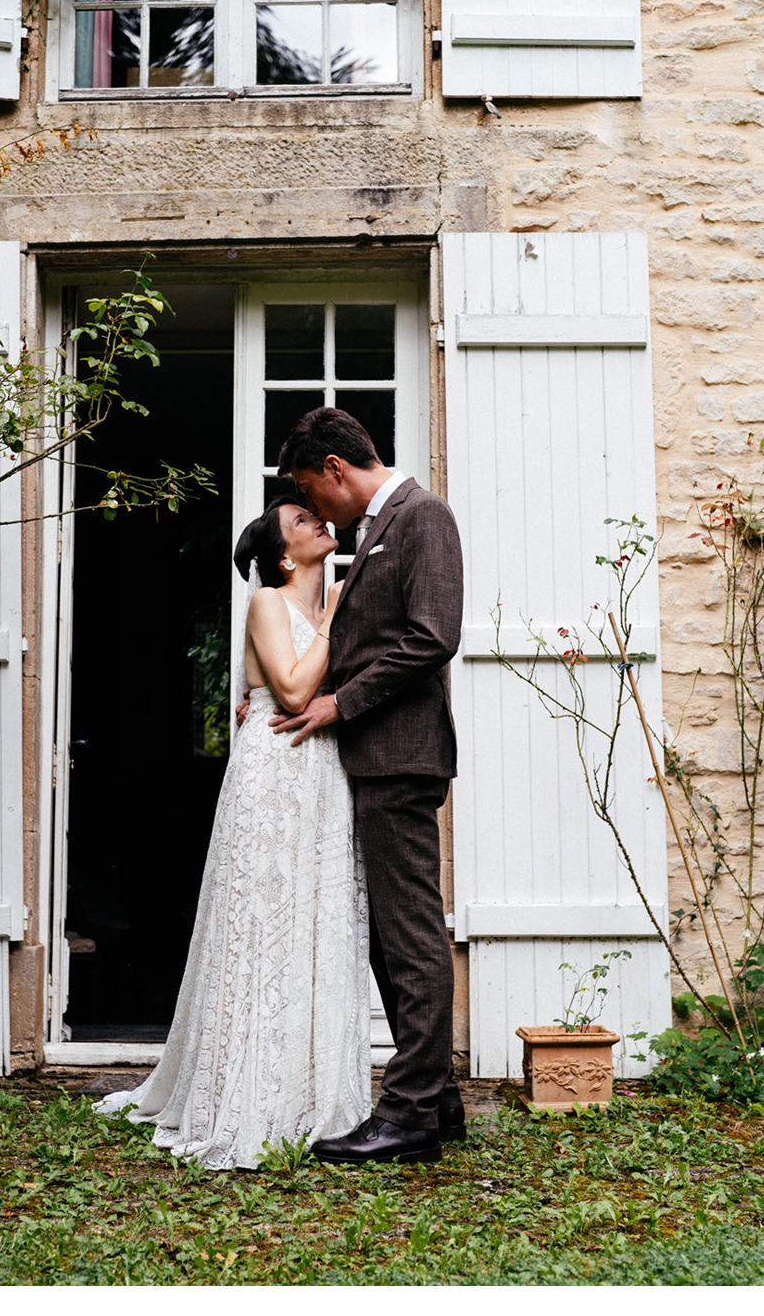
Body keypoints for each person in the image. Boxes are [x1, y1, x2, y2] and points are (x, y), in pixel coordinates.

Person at [95, 496, 373, 1169]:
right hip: (272, 771)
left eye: (314, 515)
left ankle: (314, 1093)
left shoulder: (341, 591)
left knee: (315, 917)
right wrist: (335, 622)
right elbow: (294, 691)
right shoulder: (268, 604)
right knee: (259, 920)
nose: (316, 522)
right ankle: (247, 1090)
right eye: (300, 522)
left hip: (325, 773)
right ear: (281, 555)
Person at [273, 405, 465, 1166]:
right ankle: (437, 1100)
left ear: (334, 471)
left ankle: (411, 1113)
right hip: (374, 757)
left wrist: (340, 702)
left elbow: (431, 635)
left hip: (400, 755)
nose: (315, 509)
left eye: (310, 493)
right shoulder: (379, 529)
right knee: (391, 937)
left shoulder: (423, 517)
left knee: (409, 936)